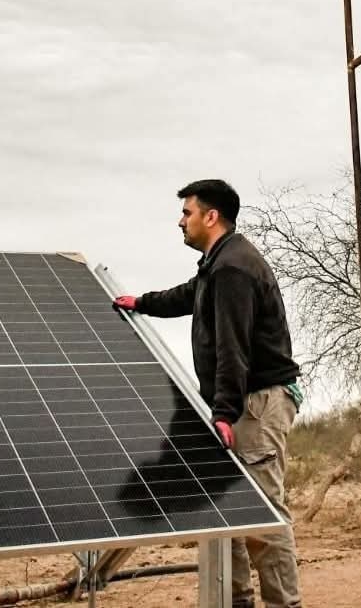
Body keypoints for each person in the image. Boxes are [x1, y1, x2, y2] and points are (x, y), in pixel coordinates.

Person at [114, 179, 303, 608]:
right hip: (241, 403)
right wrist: (142, 302)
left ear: (211, 216)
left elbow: (233, 347)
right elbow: (188, 295)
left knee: (260, 515)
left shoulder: (233, 268)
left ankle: (284, 604)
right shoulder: (218, 264)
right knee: (225, 508)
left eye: (187, 212)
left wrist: (223, 412)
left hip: (256, 404)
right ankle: (237, 599)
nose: (180, 221)